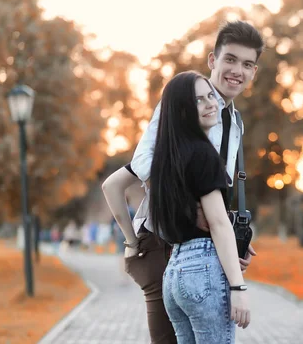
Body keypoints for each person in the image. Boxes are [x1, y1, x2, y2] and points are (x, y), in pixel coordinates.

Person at [102, 20, 264, 344]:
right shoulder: (184, 103)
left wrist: (230, 242)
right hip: (164, 242)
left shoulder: (234, 121)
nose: (237, 71)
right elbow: (145, 163)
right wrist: (138, 240)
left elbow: (218, 193)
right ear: (212, 61)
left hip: (201, 248)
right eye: (230, 59)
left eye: (247, 64)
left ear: (254, 72)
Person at [154, 71, 250, 342]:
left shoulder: (168, 158)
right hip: (203, 269)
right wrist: (238, 287)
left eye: (211, 95)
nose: (211, 103)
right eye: (199, 100)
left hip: (175, 272)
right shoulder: (204, 154)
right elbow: (218, 223)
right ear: (182, 111)